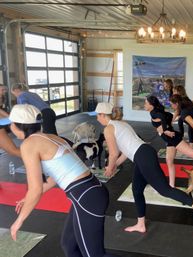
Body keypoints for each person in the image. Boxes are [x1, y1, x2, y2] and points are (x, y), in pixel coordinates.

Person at [8, 104, 116, 257]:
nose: (10, 127)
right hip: (89, 193)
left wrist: (18, 222)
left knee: (94, 255)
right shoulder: (51, 137)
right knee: (69, 245)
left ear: (18, 125)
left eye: (11, 123)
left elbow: (35, 189)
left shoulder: (29, 144)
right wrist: (27, 198)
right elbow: (54, 178)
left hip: (86, 197)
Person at [95, 102, 193, 232]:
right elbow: (127, 152)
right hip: (143, 154)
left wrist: (110, 168)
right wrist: (114, 165)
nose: (97, 119)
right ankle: (141, 224)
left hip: (143, 156)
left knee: (164, 190)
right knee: (137, 190)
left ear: (102, 115)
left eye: (97, 116)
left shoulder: (109, 128)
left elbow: (114, 153)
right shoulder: (122, 123)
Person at [0, 84, 21, 157]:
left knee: (12, 150)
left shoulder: (1, 98)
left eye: (4, 90)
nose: (3, 92)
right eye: (2, 90)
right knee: (13, 150)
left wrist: (10, 117)